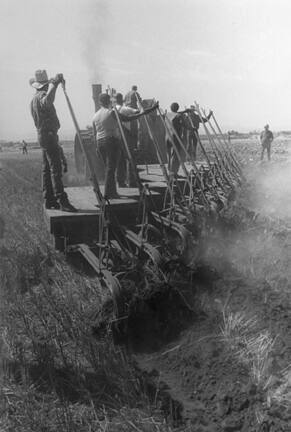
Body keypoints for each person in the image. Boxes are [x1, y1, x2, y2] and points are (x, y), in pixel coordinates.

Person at [92, 93, 158, 199]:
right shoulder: (111, 112)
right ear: (109, 101)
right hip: (111, 140)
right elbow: (128, 118)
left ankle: (111, 191)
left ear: (100, 102)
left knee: (109, 168)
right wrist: (147, 111)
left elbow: (94, 132)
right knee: (111, 168)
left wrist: (96, 147)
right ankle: (109, 193)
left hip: (100, 142)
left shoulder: (95, 115)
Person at [30, 69, 77, 211]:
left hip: (43, 135)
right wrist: (55, 85)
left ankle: (49, 199)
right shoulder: (42, 96)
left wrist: (54, 83)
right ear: (44, 85)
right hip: (49, 135)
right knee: (55, 169)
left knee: (46, 169)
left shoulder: (33, 99)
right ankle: (62, 200)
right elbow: (48, 102)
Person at [115, 93, 140, 187]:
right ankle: (131, 181)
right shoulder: (125, 109)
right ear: (123, 100)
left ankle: (120, 182)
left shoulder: (112, 109)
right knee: (130, 158)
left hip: (116, 136)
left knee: (119, 160)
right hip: (125, 136)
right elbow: (137, 111)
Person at [165, 102, 189, 177]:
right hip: (175, 137)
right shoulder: (179, 116)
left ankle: (170, 171)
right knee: (175, 155)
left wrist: (184, 111)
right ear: (177, 108)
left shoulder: (167, 115)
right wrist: (192, 128)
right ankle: (173, 173)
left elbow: (175, 114)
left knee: (169, 154)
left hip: (167, 137)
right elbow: (185, 125)